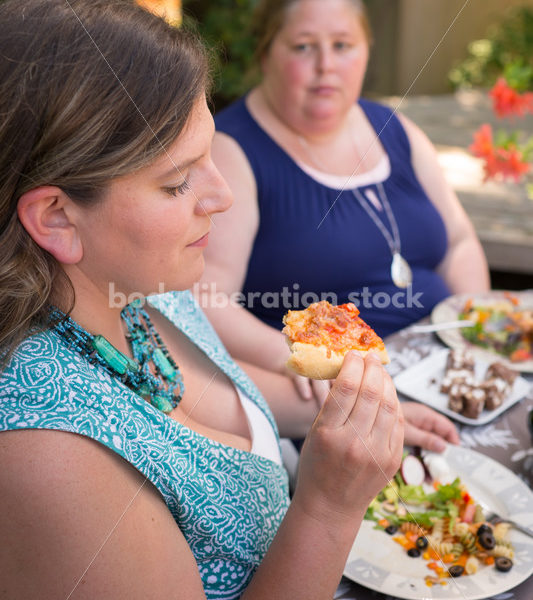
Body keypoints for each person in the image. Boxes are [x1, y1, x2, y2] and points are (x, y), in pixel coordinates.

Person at [0, 1, 404, 599]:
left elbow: (214, 400)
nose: (222, 196)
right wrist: (328, 506)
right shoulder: (46, 455)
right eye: (177, 181)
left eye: (210, 154)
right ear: (56, 217)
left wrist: (364, 416)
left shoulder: (135, 288)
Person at [199, 0, 489, 429]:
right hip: (346, 402)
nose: (326, 66)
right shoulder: (231, 151)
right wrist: (294, 358)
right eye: (303, 47)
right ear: (265, 53)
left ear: (366, 51)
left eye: (343, 45)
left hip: (452, 366)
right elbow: (204, 300)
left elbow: (460, 241)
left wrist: (474, 331)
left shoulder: (395, 128)